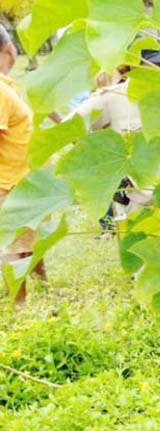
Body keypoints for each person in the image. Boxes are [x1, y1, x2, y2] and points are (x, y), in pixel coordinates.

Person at [69, 50, 160, 230]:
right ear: (136, 67)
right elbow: (69, 129)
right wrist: (107, 165)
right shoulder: (113, 98)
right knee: (138, 252)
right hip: (138, 203)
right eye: (158, 65)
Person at [0, 25, 44, 305]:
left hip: (20, 179)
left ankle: (43, 283)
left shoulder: (8, 85)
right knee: (14, 245)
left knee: (28, 239)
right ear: (9, 50)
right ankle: (19, 305)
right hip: (8, 182)